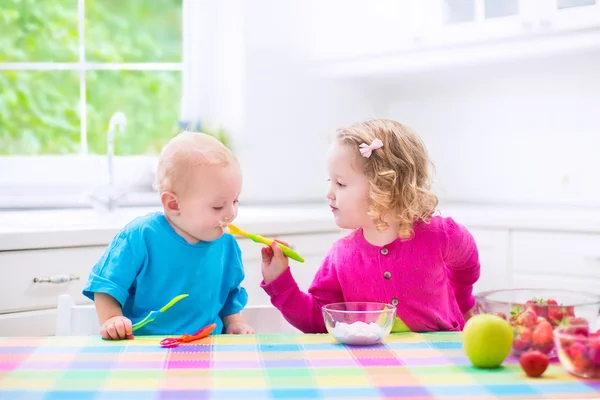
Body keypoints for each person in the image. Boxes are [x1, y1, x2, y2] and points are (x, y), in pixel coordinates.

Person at [260, 119, 480, 333]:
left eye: (341, 183)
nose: (329, 193)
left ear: (384, 187)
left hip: (441, 361)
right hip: (374, 366)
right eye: (330, 181)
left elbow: (467, 263)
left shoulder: (441, 234)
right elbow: (320, 319)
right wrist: (279, 282)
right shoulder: (341, 256)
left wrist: (462, 300)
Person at [82, 131, 254, 340]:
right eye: (218, 206)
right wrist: (111, 319)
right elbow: (106, 285)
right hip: (143, 348)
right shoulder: (141, 235)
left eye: (235, 201)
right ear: (173, 204)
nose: (231, 213)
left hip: (206, 346)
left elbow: (229, 295)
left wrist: (234, 322)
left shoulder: (226, 244)